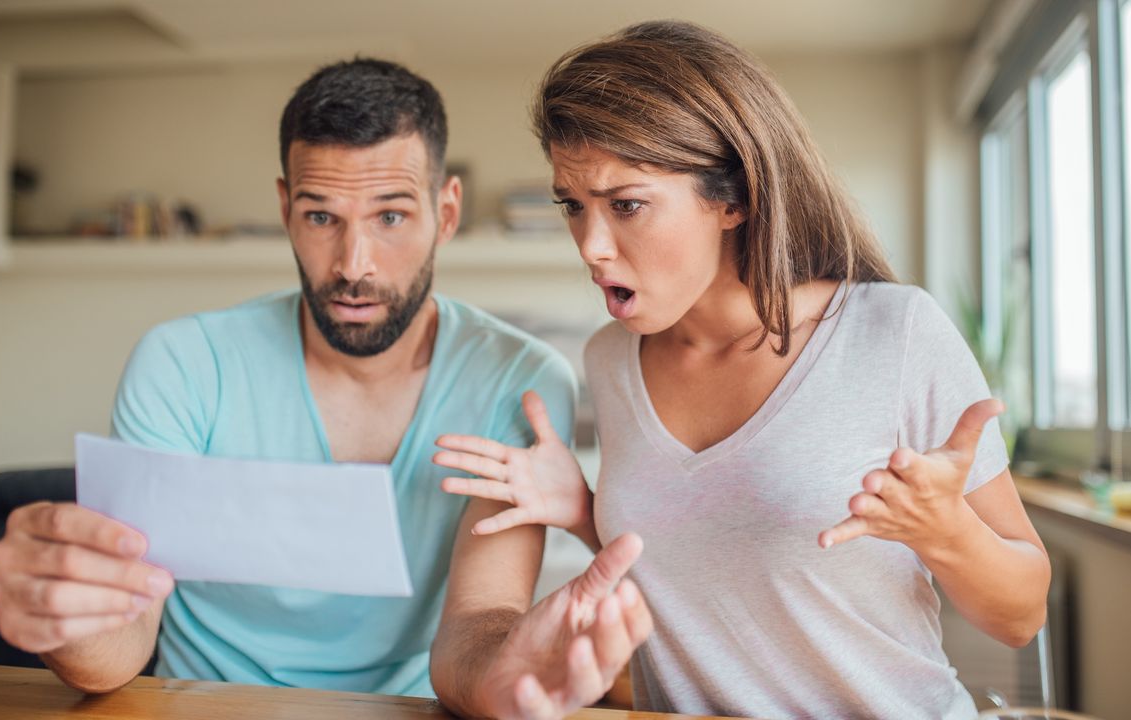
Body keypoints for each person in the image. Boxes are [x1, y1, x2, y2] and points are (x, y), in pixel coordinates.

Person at [0, 57, 650, 719]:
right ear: (284, 209)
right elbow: (120, 645)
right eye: (321, 217)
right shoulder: (184, 363)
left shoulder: (519, 381)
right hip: (198, 707)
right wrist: (66, 620)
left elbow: (478, 621)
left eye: (390, 217)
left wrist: (506, 676)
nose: (353, 265)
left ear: (445, 213)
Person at [434, 21, 1052, 719]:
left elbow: (1021, 616)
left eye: (626, 205)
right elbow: (709, 562)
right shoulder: (611, 361)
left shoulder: (895, 332)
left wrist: (946, 532)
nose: (592, 246)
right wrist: (585, 513)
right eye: (573, 206)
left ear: (733, 199)